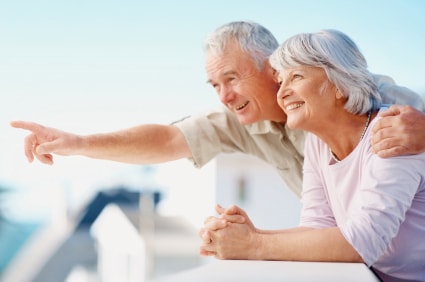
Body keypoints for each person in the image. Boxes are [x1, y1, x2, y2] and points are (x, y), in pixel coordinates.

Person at [10, 21, 425, 199]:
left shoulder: (357, 92)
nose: (223, 96)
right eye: (214, 85)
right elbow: (167, 139)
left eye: (231, 79)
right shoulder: (243, 121)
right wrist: (78, 143)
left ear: (271, 67)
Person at [200, 29, 425, 281]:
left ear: (340, 84)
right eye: (281, 81)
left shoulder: (394, 130)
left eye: (296, 76)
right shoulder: (317, 142)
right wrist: (249, 235)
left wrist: (253, 245)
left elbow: (362, 242)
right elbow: (317, 226)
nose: (282, 92)